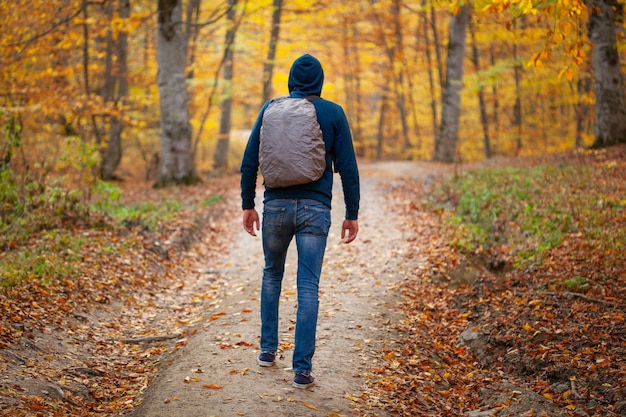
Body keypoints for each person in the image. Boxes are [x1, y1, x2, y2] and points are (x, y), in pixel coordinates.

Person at [240, 54, 360, 389]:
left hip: (275, 208)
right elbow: (348, 168)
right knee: (307, 286)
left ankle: (266, 351)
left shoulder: (270, 109)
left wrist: (248, 204)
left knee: (271, 275)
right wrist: (352, 212)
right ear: (320, 81)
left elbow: (249, 161)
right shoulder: (333, 112)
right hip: (315, 210)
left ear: (291, 80)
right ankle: (302, 370)